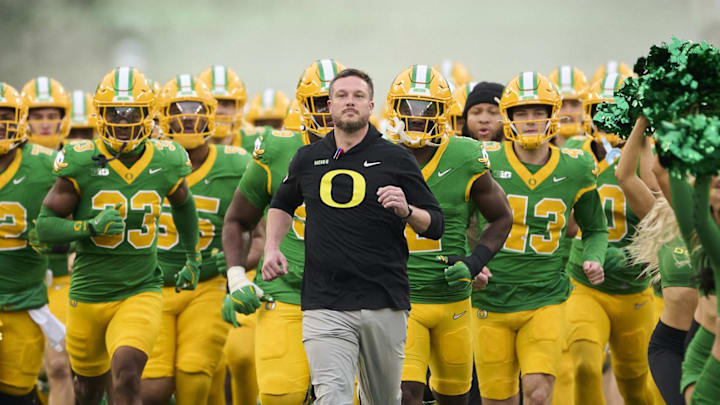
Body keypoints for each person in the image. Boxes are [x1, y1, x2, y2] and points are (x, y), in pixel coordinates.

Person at [262, 67, 444, 405]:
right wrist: (272, 247)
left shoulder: (396, 157)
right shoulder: (307, 157)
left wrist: (407, 210)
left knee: (383, 400)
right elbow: (281, 204)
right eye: (342, 96)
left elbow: (435, 225)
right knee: (332, 398)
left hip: (384, 299)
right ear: (329, 106)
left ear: (371, 106)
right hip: (324, 300)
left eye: (358, 96)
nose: (350, 102)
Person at [35, 66, 201, 405]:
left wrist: (192, 256)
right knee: (88, 391)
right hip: (88, 292)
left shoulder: (167, 159)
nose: (123, 121)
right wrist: (89, 227)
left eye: (131, 113)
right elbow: (44, 226)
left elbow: (184, 205)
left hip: (139, 289)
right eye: (114, 112)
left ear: (148, 114)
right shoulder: (81, 160)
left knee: (126, 374)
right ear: (100, 113)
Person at [471, 71, 608, 405]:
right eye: (522, 113)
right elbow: (458, 222)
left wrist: (594, 256)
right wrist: (470, 260)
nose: (530, 120)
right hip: (492, 298)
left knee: (538, 391)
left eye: (538, 112)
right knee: (497, 400)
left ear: (552, 115)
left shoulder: (577, 167)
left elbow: (596, 228)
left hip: (545, 296)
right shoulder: (483, 159)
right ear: (509, 117)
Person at [383, 64, 512, 405]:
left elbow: (501, 217)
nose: (416, 117)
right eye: (408, 107)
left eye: (427, 108)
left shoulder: (464, 155)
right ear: (394, 109)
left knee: (453, 395)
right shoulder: (375, 154)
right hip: (397, 297)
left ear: (443, 112)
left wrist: (475, 261)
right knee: (406, 392)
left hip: (451, 298)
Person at [222, 59, 347, 405]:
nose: (330, 110)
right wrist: (236, 277)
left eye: (336, 99)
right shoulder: (278, 150)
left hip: (350, 297)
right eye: (320, 102)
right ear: (303, 106)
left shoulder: (378, 154)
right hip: (286, 290)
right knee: (282, 396)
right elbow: (237, 220)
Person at [140, 74, 250, 405]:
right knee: (154, 387)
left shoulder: (236, 163)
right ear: (160, 114)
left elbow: (260, 228)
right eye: (178, 108)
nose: (188, 116)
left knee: (194, 375)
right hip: (152, 285)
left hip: (207, 285)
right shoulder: (145, 160)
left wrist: (238, 267)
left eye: (196, 108)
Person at [563, 74, 658, 405]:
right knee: (586, 368)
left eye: (620, 112)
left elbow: (659, 216)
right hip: (585, 283)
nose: (611, 120)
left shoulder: (650, 154)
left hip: (632, 285)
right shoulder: (575, 151)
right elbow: (567, 224)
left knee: (636, 387)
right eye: (602, 110)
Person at [0, 82, 59, 404]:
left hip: (23, 302)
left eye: (5, 116)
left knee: (15, 393)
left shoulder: (47, 164)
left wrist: (57, 234)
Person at [20, 76, 76, 405]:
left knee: (59, 365)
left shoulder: (74, 161)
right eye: (37, 116)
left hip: (62, 276)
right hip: (18, 278)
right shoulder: (12, 163)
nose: (44, 124)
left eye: (50, 115)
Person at [547, 66, 589, 147]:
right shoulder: (539, 152)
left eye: (574, 104)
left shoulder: (599, 148)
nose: (568, 112)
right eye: (561, 105)